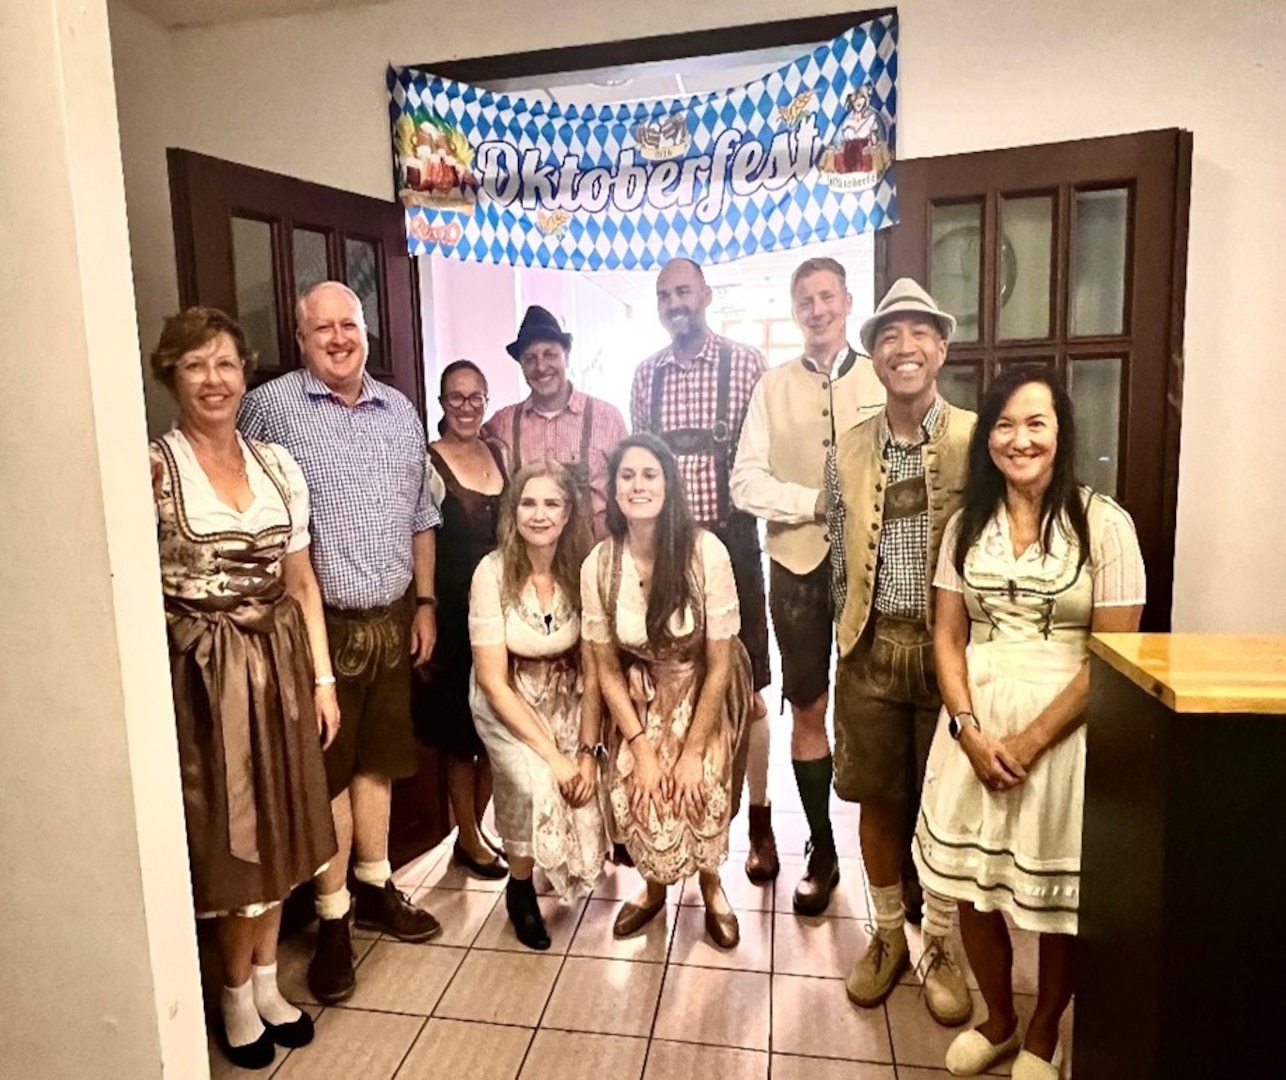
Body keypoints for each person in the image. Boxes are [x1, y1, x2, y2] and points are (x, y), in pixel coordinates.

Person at [913, 370, 1145, 1078]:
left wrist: (1030, 740)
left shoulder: (1104, 524)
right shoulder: (966, 526)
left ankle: (1046, 1031)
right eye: (1005, 426)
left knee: (1053, 898)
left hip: (1065, 732)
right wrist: (967, 729)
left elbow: (1113, 656)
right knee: (975, 885)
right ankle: (1001, 1020)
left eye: (1036, 424)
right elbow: (947, 637)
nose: (1020, 439)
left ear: (1061, 433)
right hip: (974, 723)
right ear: (988, 440)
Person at [238, 281, 443, 1005]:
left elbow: (421, 514)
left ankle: (378, 886)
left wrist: (424, 602)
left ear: (365, 331)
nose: (337, 338)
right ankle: (332, 922)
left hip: (391, 619)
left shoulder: (400, 411)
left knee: (380, 762)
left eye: (347, 324)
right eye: (320, 328)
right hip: (311, 634)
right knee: (325, 774)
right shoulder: (270, 409)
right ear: (300, 340)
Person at [148, 307, 336, 1070]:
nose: (214, 380)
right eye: (195, 365)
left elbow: (301, 582)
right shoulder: (154, 469)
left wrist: (322, 679)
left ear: (244, 372)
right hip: (203, 677)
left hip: (282, 664)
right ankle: (231, 994)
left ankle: (265, 980)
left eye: (225, 364)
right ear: (172, 376)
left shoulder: (276, 465)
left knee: (288, 826)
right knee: (234, 842)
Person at [829, 278, 975, 1025]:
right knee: (877, 801)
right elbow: (835, 550)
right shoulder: (850, 446)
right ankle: (888, 935)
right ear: (875, 354)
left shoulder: (981, 439)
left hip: (954, 652)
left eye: (920, 333)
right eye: (890, 336)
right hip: (868, 648)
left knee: (947, 807)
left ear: (941, 349)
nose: (904, 347)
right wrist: (844, 636)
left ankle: (942, 946)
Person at [730, 257, 884, 915]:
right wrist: (813, 501)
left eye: (827, 297)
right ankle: (822, 849)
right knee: (809, 709)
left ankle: (889, 857)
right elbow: (745, 482)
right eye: (805, 300)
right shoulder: (772, 387)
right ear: (795, 311)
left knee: (874, 711)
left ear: (847, 302)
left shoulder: (884, 377)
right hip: (795, 570)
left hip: (876, 569)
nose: (817, 309)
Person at [631, 256, 778, 884]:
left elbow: (765, 454)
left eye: (683, 290)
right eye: (664, 294)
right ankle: (668, 819)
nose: (674, 301)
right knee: (666, 688)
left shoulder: (746, 363)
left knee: (750, 693)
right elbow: (639, 467)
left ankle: (759, 819)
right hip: (666, 552)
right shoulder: (646, 375)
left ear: (706, 295)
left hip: (734, 546)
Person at [583, 434, 752, 949]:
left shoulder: (705, 552)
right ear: (613, 490)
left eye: (649, 475)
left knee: (699, 790)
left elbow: (720, 663)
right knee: (643, 792)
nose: (638, 485)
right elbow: (607, 670)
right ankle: (654, 886)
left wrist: (692, 749)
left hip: (704, 690)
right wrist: (642, 748)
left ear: (669, 484)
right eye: (627, 476)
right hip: (639, 697)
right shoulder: (600, 563)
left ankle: (712, 884)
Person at [470, 461, 609, 949]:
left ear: (570, 512)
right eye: (528, 502)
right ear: (513, 511)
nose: (539, 514)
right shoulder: (491, 572)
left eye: (552, 503)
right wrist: (552, 755)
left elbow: (596, 671)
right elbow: (490, 678)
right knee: (533, 781)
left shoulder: (584, 569)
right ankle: (520, 889)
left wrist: (587, 753)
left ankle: (568, 859)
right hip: (507, 696)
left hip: (567, 690)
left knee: (579, 780)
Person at [413, 360, 508, 880]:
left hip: (500, 611)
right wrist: (424, 604)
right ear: (442, 404)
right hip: (452, 613)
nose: (467, 407)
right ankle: (467, 837)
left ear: (486, 401)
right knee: (458, 735)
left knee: (496, 725)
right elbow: (419, 534)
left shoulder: (498, 452)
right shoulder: (428, 461)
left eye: (476, 397)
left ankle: (479, 825)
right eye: (457, 398)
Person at [481, 304, 628, 540]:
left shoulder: (608, 419)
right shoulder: (502, 425)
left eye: (550, 355)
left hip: (593, 565)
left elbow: (628, 491)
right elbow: (463, 448)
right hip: (529, 569)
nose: (541, 367)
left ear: (566, 357)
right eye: (530, 358)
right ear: (521, 365)